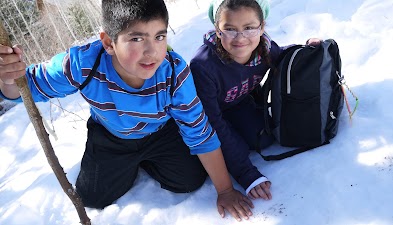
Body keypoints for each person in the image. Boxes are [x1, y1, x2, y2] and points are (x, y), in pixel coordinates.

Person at [0, 0, 255, 222]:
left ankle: (147, 161)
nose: (152, 51)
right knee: (92, 196)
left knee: (190, 180)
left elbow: (199, 133)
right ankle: (125, 165)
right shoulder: (83, 64)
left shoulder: (174, 74)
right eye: (136, 38)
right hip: (111, 136)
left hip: (161, 131)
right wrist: (9, 78)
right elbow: (28, 87)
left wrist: (225, 190)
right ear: (109, 42)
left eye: (159, 36)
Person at [190, 0, 321, 202]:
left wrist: (305, 50)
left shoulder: (264, 49)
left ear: (262, 28)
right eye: (230, 29)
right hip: (212, 114)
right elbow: (211, 120)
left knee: (263, 139)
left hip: (240, 104)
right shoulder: (204, 65)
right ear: (217, 30)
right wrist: (246, 174)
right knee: (237, 151)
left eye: (249, 28)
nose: (240, 38)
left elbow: (282, 55)